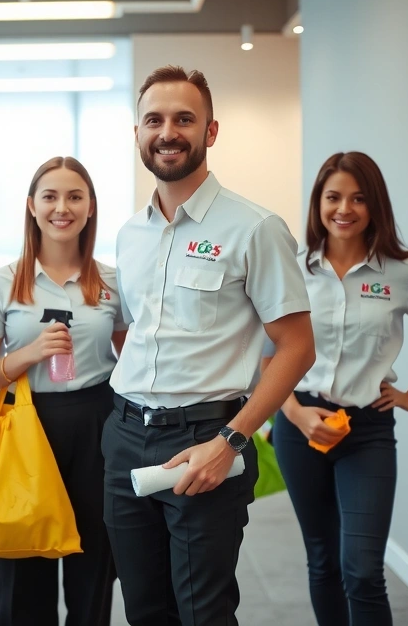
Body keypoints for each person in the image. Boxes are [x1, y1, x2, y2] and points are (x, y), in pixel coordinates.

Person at [103, 65, 317, 626]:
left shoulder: (255, 228)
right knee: (144, 608)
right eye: (154, 119)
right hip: (125, 435)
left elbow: (296, 346)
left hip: (208, 438)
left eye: (184, 119)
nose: (168, 132)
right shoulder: (131, 235)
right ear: (137, 133)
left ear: (211, 132)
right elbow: (131, 330)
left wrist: (230, 441)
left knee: (203, 610)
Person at [263, 152, 408, 626]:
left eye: (358, 198)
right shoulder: (293, 269)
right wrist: (292, 413)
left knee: (362, 569)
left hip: (368, 431)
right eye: (333, 197)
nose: (344, 209)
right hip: (300, 426)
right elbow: (265, 352)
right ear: (318, 203)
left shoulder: (402, 272)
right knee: (323, 560)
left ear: (375, 205)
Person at [0, 156, 126, 626]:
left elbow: (135, 360)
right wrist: (27, 355)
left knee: (93, 563)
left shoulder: (112, 281)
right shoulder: (2, 282)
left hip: (97, 422)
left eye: (75, 196)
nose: (62, 207)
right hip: (25, 423)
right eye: (50, 197)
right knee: (23, 569)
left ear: (91, 206)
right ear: (32, 207)